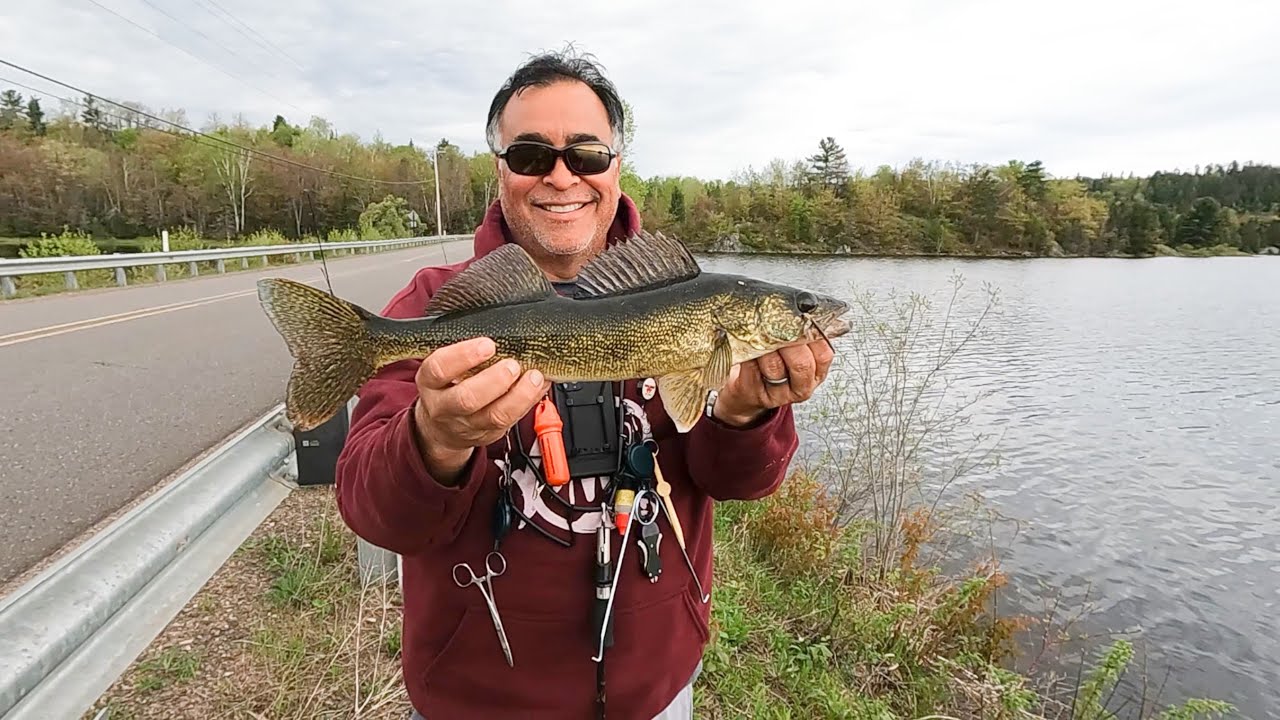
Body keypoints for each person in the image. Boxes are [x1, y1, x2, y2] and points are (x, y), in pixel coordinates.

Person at [333, 48, 835, 720]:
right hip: (479, 702)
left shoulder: (686, 296)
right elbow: (375, 511)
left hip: (654, 695)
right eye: (532, 154)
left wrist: (744, 415)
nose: (562, 176)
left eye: (588, 154)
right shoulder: (434, 305)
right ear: (501, 169)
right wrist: (433, 441)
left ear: (617, 164)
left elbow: (737, 482)